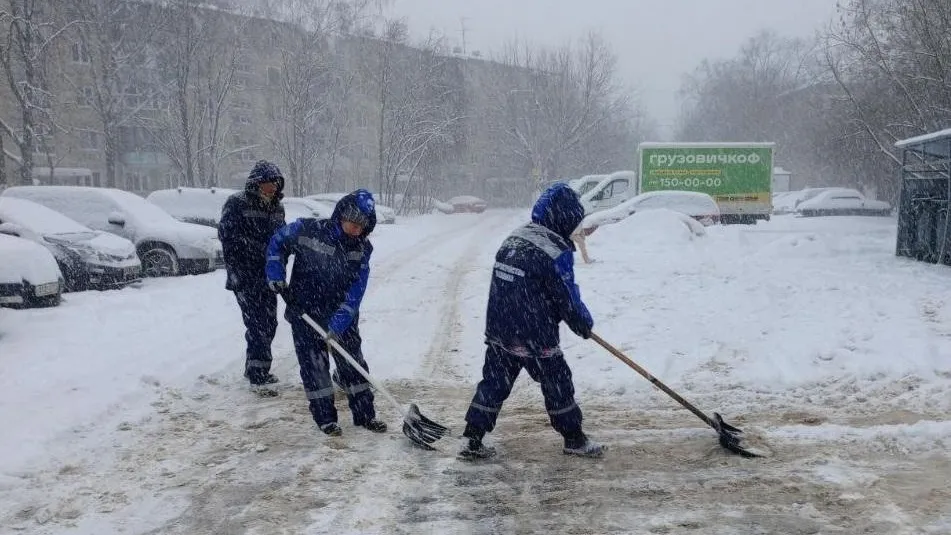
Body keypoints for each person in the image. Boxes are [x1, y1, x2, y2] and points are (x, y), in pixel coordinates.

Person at [459, 183, 604, 459]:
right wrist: (583, 324)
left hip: (501, 331)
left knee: (494, 384)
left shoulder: (515, 237)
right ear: (564, 218)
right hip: (535, 335)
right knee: (557, 383)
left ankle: (472, 439)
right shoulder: (554, 251)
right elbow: (567, 298)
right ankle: (574, 439)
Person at [264, 189, 387, 436]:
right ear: (341, 214)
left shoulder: (362, 248)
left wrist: (339, 323)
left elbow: (357, 290)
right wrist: (276, 274)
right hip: (304, 310)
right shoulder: (308, 230)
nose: (356, 229)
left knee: (353, 365)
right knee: (315, 367)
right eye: (352, 222)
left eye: (362, 226)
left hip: (341, 315)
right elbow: (277, 242)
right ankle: (326, 419)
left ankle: (365, 415)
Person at [218, 159, 286, 393]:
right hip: (245, 277)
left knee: (270, 323)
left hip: (268, 277)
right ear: (256, 183)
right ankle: (258, 375)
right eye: (268, 183)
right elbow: (229, 238)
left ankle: (255, 367)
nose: (272, 188)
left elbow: (281, 239)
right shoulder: (236, 203)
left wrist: (281, 258)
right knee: (257, 324)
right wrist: (262, 250)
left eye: (275, 184)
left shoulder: (277, 208)